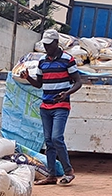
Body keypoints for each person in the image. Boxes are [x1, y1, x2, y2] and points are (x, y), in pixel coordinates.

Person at [26, 28, 82, 185]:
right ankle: (51, 175)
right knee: (48, 141)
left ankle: (68, 171)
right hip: (46, 106)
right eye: (45, 45)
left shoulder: (67, 60)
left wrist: (66, 93)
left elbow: (78, 82)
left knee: (57, 138)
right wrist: (28, 78)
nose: (46, 48)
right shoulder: (42, 62)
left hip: (61, 106)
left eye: (49, 45)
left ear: (57, 43)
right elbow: (39, 84)